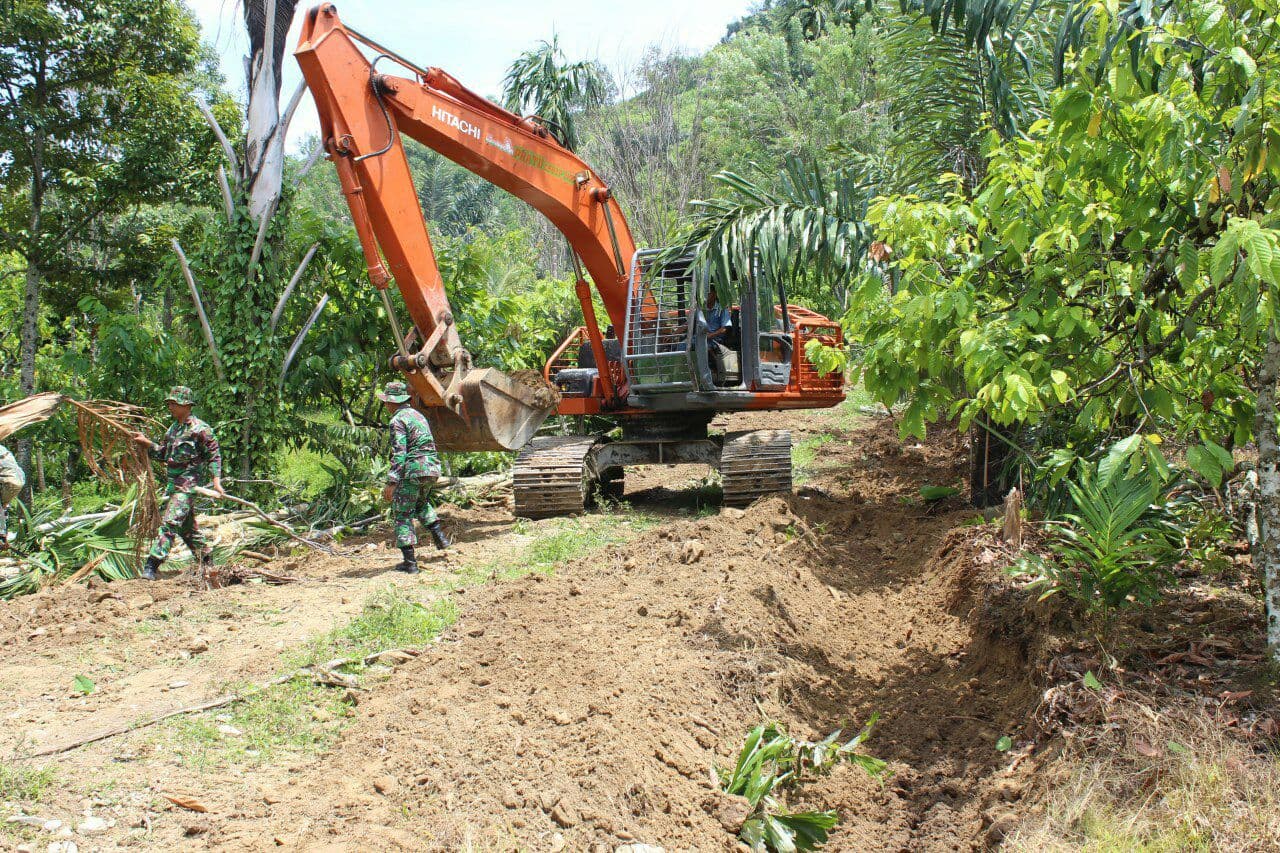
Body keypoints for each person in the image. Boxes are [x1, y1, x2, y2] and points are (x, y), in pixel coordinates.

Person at [133, 386, 224, 581]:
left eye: (174, 403)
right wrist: (147, 444)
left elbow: (214, 455)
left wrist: (216, 481)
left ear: (186, 405)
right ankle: (206, 560)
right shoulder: (173, 429)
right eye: (169, 403)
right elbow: (165, 454)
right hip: (173, 485)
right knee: (187, 528)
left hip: (188, 485)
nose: (170, 407)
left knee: (170, 523)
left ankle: (152, 565)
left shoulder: (201, 429)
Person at [379, 380, 448, 574]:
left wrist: (392, 482)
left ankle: (410, 563)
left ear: (393, 402)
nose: (385, 405)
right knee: (420, 503)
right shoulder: (418, 416)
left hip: (413, 470)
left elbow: (399, 453)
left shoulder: (397, 421)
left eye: (386, 401)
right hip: (431, 468)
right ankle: (441, 539)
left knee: (402, 513)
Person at [701, 287, 733, 379]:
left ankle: (715, 369)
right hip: (702, 337)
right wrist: (673, 334)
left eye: (708, 293)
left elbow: (724, 329)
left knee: (704, 345)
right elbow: (688, 323)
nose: (705, 296)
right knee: (684, 344)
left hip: (716, 337)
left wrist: (710, 335)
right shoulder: (701, 309)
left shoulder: (722, 309)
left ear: (714, 294)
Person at [0, 443, 26, 549]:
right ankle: (2, 535)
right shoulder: (3, 449)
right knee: (3, 506)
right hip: (17, 478)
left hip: (10, 478)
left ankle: (1, 535)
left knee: (3, 506)